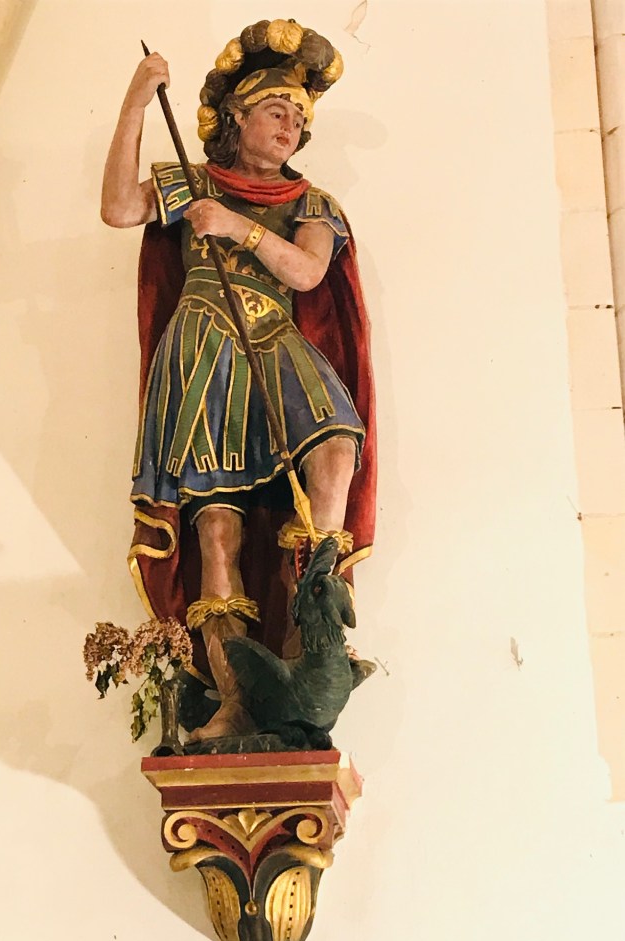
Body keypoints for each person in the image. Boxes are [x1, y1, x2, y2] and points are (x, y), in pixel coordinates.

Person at [101, 20, 376, 741]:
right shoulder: (192, 184)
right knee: (217, 527)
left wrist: (236, 227)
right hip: (203, 349)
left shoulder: (311, 202)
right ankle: (234, 700)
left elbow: (307, 272)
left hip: (275, 341)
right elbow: (119, 207)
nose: (290, 127)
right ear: (236, 116)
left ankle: (308, 649)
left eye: (299, 120)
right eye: (277, 111)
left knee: (336, 450)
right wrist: (136, 103)